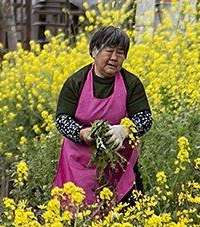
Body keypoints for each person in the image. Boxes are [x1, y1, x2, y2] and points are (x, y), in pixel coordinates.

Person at [53, 25, 152, 209]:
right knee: (79, 214)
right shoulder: (76, 82)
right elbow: (62, 119)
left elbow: (145, 118)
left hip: (120, 163)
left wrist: (125, 130)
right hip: (79, 163)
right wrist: (82, 134)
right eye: (109, 51)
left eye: (120, 53)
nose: (114, 57)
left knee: (126, 215)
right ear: (94, 52)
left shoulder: (131, 83)